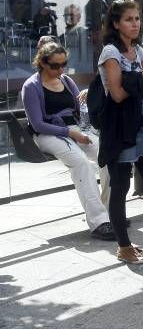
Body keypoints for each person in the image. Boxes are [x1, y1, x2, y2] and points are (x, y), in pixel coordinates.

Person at [97, 0, 143, 265]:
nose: (135, 24)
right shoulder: (110, 53)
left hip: (140, 124)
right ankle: (124, 246)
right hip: (119, 129)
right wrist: (142, 75)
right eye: (129, 19)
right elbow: (116, 94)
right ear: (116, 24)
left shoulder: (138, 51)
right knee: (121, 185)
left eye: (137, 18)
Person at [21, 42, 114, 241]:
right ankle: (99, 222)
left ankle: (109, 212)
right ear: (42, 63)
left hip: (75, 129)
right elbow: (37, 124)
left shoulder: (66, 81)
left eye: (64, 64)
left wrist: (87, 99)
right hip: (48, 134)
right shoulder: (31, 86)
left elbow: (78, 111)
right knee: (81, 163)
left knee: (106, 156)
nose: (60, 69)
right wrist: (71, 134)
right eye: (55, 65)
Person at [59, 4, 91, 72]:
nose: (68, 18)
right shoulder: (61, 37)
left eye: (72, 15)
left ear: (79, 17)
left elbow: (84, 59)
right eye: (66, 15)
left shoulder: (84, 33)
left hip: (79, 72)